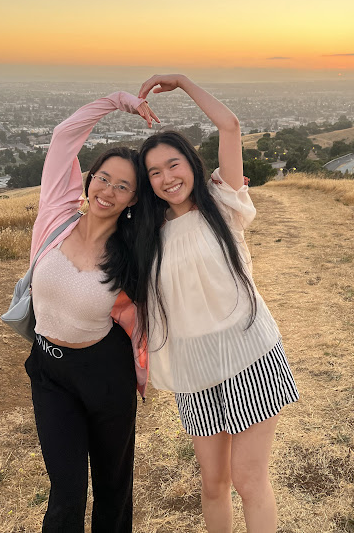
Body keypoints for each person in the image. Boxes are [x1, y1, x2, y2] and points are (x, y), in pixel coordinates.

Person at [135, 74, 298, 533]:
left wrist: (183, 82)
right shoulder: (147, 235)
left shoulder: (222, 203)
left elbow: (230, 126)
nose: (167, 178)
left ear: (190, 162)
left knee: (250, 481)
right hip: (194, 369)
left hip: (251, 359)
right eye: (155, 172)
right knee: (212, 483)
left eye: (174, 164)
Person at [24, 90, 159, 533]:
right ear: (89, 177)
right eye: (104, 177)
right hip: (49, 370)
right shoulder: (56, 215)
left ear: (134, 199)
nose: (109, 191)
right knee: (66, 491)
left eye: (123, 186)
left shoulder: (134, 251)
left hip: (106, 372)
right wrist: (121, 101)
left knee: (112, 485)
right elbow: (65, 136)